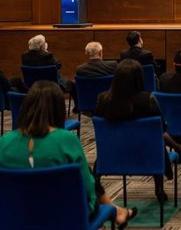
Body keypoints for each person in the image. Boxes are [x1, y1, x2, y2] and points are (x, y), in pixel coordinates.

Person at [0, 81, 137, 228]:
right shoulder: (67, 140)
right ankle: (116, 210)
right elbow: (89, 188)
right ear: (59, 109)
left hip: (15, 217)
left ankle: (117, 210)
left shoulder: (4, 142)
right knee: (85, 173)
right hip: (66, 217)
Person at [94, 59, 181, 203]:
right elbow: (161, 128)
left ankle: (179, 148)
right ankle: (176, 153)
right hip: (147, 154)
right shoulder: (147, 100)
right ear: (138, 79)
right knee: (155, 134)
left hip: (113, 154)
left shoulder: (103, 99)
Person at [21, 34, 77, 109]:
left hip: (32, 84)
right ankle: (77, 107)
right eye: (44, 43)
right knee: (73, 84)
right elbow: (58, 64)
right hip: (52, 84)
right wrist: (46, 51)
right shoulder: (47, 56)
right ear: (42, 46)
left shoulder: (25, 56)